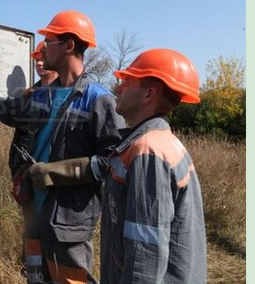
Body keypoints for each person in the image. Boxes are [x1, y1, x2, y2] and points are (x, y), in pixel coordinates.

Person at [0, 10, 125, 284]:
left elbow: (113, 161)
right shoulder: (41, 95)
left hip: (68, 223)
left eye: (49, 41)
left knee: (71, 281)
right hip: (35, 215)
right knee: (36, 278)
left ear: (69, 45)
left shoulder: (99, 101)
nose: (43, 48)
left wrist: (56, 172)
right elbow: (5, 109)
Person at [32, 48, 208, 283]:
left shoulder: (148, 153)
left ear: (149, 95)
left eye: (127, 82)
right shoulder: (158, 143)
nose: (117, 88)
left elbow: (145, 255)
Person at [9, 41, 58, 283]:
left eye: (43, 58)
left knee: (52, 233)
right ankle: (31, 272)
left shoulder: (65, 95)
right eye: (36, 59)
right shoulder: (29, 95)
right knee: (30, 231)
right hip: (27, 178)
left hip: (53, 180)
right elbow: (20, 137)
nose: (39, 63)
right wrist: (17, 171)